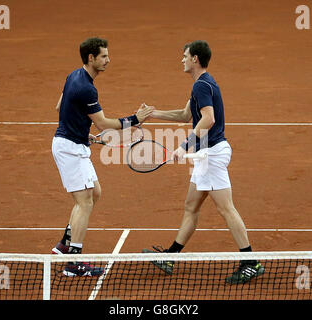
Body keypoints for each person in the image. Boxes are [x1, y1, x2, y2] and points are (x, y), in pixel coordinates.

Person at [142, 40, 264, 284]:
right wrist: (154, 114)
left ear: (195, 59)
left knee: (226, 208)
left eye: (185, 56)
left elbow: (208, 119)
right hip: (206, 155)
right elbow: (186, 115)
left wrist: (183, 146)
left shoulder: (201, 86)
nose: (182, 59)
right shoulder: (202, 84)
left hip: (211, 155)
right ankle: (171, 257)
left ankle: (251, 262)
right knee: (191, 206)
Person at [51, 37, 153, 277]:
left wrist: (82, 133)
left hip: (73, 143)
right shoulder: (86, 87)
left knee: (94, 193)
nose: (108, 60)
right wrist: (135, 120)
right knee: (84, 201)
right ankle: (74, 262)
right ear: (91, 58)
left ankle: (64, 244)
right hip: (69, 149)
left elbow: (60, 106)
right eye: (104, 56)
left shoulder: (73, 76)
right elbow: (103, 123)